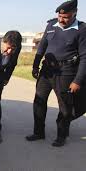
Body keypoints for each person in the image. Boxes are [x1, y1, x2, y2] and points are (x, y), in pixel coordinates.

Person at [26, 0, 86, 147]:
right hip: (47, 70)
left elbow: (85, 57)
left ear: (75, 13)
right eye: (59, 16)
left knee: (65, 105)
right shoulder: (51, 25)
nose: (61, 19)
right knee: (39, 101)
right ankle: (38, 132)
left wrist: (77, 80)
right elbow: (42, 47)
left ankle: (61, 135)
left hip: (66, 72)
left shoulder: (82, 29)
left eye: (65, 17)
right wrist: (35, 65)